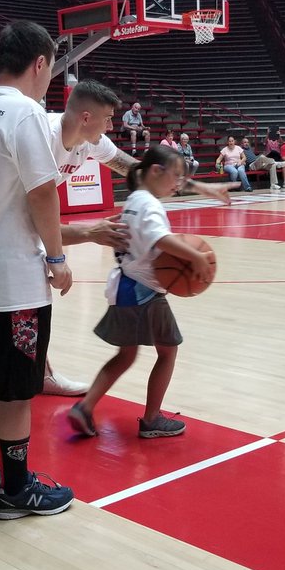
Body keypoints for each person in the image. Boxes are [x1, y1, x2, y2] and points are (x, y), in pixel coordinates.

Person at [0, 79, 233, 419]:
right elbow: (33, 217)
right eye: (108, 119)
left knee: (31, 285)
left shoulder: (92, 141)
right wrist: (84, 236)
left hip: (12, 200)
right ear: (87, 117)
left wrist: (196, 186)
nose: (111, 126)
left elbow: (137, 170)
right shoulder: (41, 135)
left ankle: (40, 374)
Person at [0, 20, 78, 520]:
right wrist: (57, 256)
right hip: (12, 279)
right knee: (18, 391)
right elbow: (42, 190)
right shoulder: (24, 112)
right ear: (41, 62)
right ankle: (18, 489)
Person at [68, 145, 217, 440]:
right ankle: (151, 419)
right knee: (168, 350)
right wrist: (196, 256)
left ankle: (85, 408)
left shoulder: (134, 199)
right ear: (155, 171)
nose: (177, 184)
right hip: (143, 290)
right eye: (175, 176)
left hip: (126, 286)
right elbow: (159, 239)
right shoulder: (149, 205)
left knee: (125, 355)